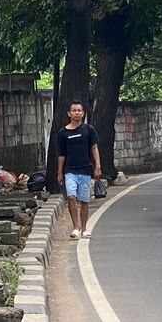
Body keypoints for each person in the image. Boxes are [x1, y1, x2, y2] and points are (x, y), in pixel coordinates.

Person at [57, 100, 102, 239]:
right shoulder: (63, 133)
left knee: (84, 200)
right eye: (74, 111)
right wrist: (59, 172)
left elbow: (94, 148)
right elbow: (61, 154)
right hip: (70, 170)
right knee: (71, 197)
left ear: (82, 113)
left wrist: (98, 166)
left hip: (85, 170)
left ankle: (84, 228)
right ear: (69, 113)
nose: (77, 113)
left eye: (79, 110)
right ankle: (75, 227)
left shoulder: (89, 130)